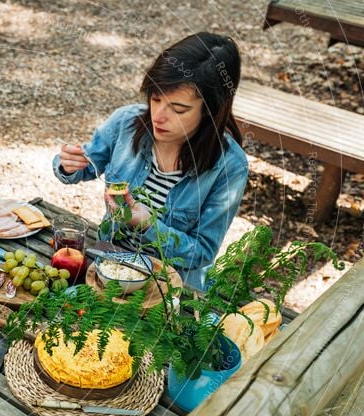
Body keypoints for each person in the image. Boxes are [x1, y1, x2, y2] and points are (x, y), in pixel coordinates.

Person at [53, 32, 248, 290]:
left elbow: (202, 253)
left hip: (169, 287)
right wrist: (68, 164)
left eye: (178, 109)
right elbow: (86, 164)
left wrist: (148, 225)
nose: (158, 116)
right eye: (155, 99)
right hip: (106, 263)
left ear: (212, 109)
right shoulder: (126, 123)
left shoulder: (230, 166)